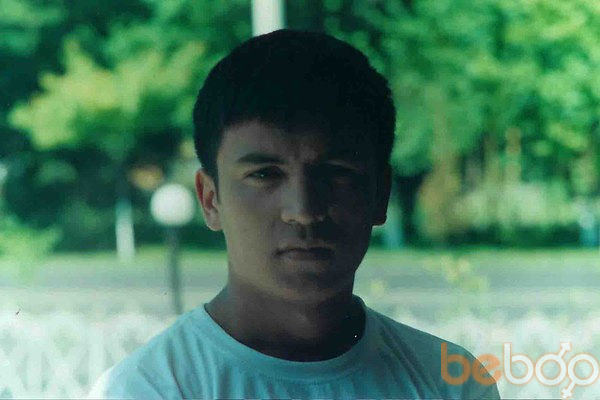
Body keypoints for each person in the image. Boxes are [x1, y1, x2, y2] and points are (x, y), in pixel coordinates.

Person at [88, 29, 500, 399]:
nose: (303, 211)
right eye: (264, 174)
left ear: (380, 194)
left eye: (336, 173)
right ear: (210, 199)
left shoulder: (450, 383)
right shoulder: (148, 389)